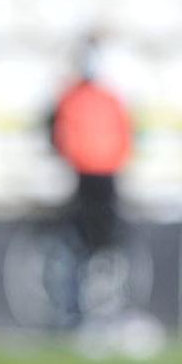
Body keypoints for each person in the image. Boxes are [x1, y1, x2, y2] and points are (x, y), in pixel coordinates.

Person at [45, 31, 134, 324]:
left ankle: (107, 308)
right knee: (79, 245)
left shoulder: (107, 99)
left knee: (104, 247)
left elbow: (126, 136)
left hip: (105, 179)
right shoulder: (72, 98)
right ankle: (77, 311)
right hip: (81, 180)